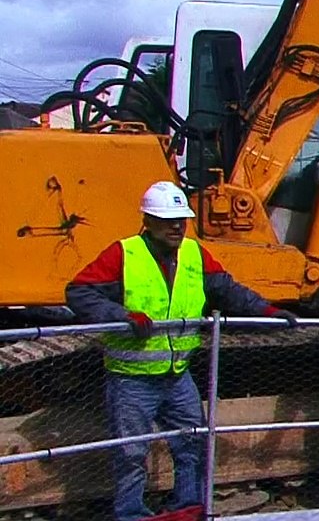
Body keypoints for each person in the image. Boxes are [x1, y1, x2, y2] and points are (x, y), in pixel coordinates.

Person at [65, 180, 298, 521]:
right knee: (131, 453)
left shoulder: (193, 254)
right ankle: (130, 514)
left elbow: (228, 290)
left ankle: (187, 505)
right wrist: (122, 316)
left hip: (176, 375)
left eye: (181, 219)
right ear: (147, 221)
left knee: (193, 441)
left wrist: (268, 312)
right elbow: (79, 292)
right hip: (132, 378)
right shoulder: (124, 254)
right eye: (168, 219)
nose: (177, 226)